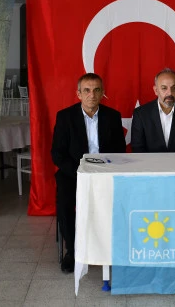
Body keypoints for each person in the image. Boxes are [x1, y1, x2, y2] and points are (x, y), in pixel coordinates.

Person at [51, 73, 126, 273]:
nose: (91, 95)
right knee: (65, 201)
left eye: (96, 90)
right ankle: (73, 250)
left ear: (102, 93)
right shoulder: (65, 117)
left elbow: (119, 151)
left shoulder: (112, 116)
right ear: (78, 94)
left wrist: (105, 172)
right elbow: (57, 154)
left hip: (105, 174)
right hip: (74, 173)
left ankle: (111, 247)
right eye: (86, 90)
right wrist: (80, 172)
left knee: (124, 196)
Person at [131, 68, 175, 153]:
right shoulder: (141, 114)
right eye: (164, 88)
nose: (169, 93)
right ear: (156, 90)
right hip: (150, 161)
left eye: (174, 88)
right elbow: (138, 149)